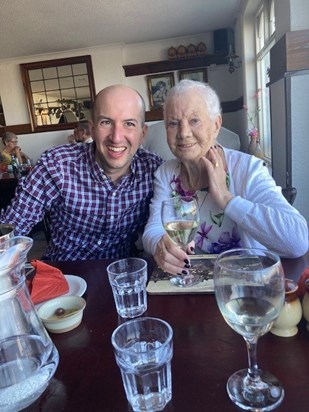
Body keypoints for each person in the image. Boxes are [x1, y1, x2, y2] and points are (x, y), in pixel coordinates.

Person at [142, 80, 308, 277]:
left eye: (194, 120)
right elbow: (152, 229)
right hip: (189, 285)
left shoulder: (247, 169)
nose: (183, 133)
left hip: (244, 289)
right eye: (173, 123)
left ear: (216, 125)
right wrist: (159, 244)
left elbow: (297, 241)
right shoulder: (166, 173)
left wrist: (226, 198)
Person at [0, 85, 163, 261]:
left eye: (129, 124)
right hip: (64, 274)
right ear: (92, 129)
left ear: (142, 133)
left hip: (124, 275)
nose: (116, 137)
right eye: (106, 122)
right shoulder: (57, 165)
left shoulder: (154, 170)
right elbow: (13, 227)